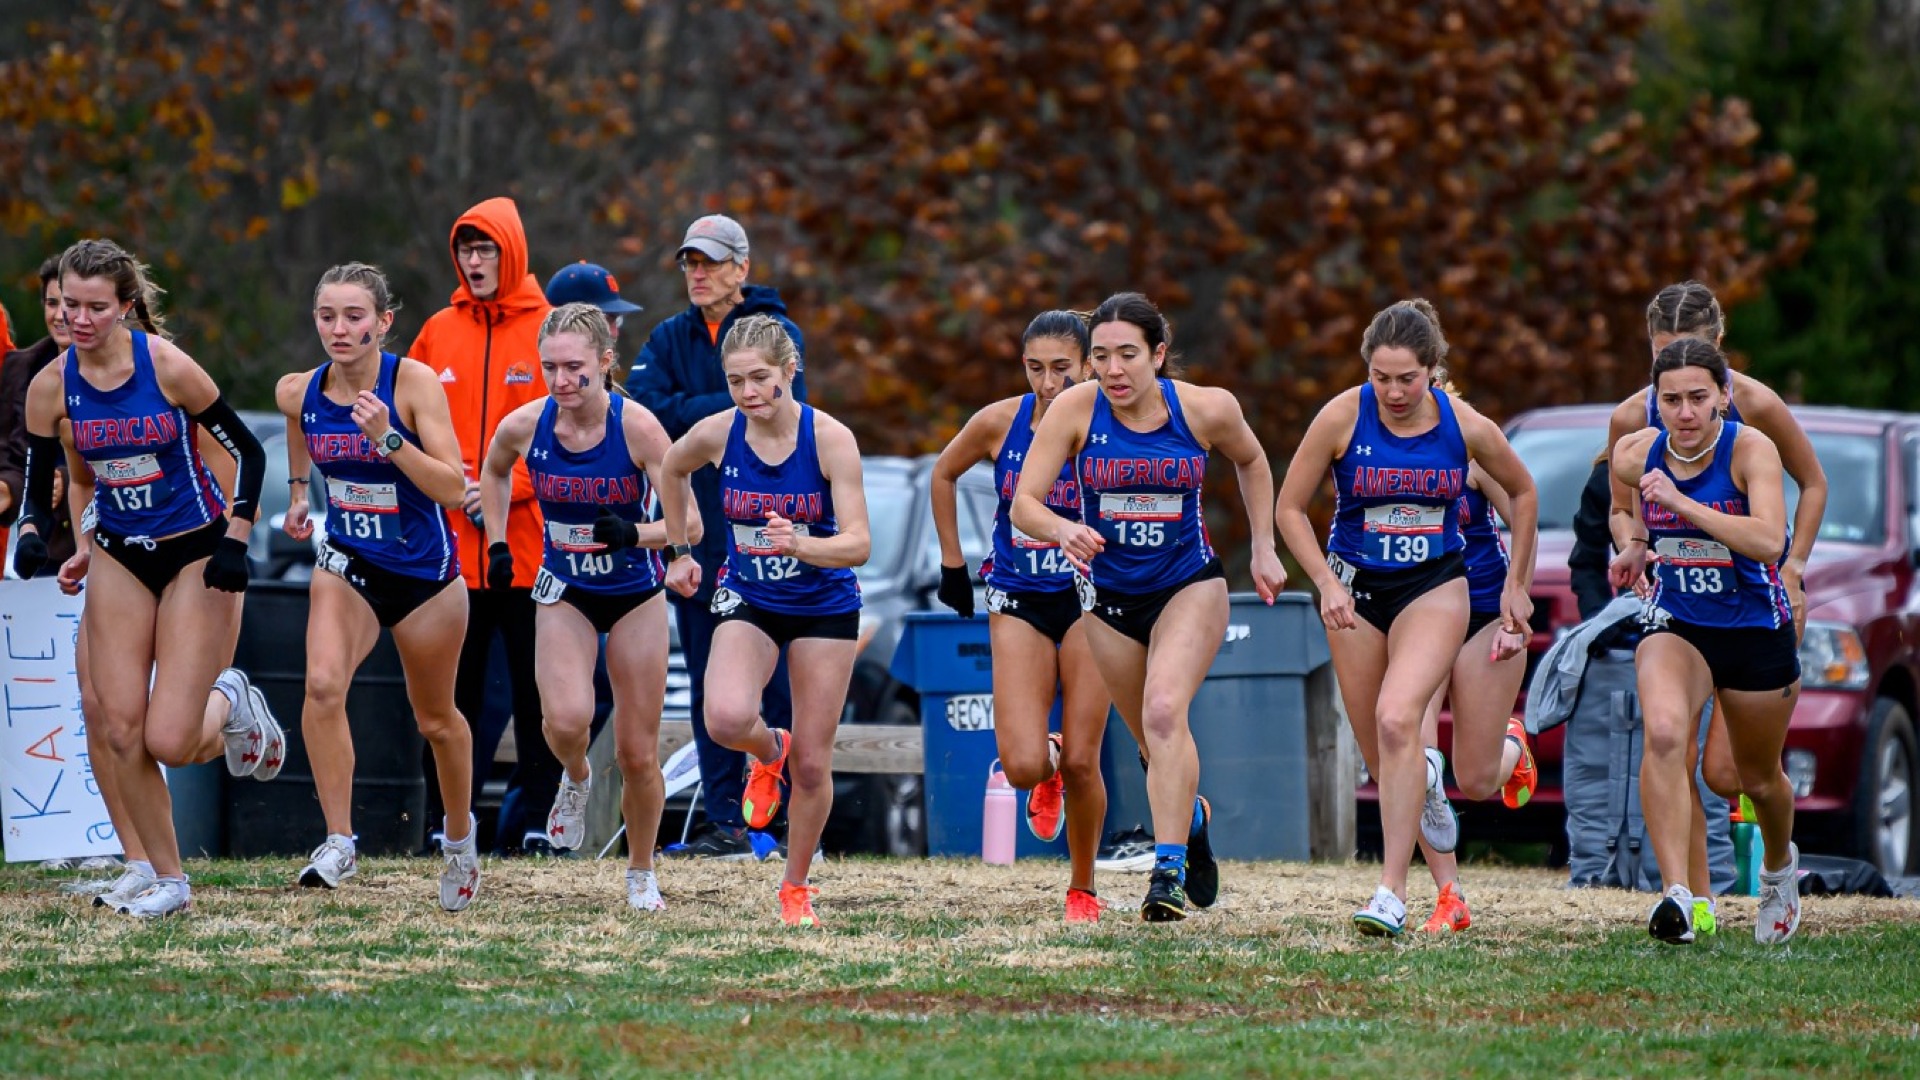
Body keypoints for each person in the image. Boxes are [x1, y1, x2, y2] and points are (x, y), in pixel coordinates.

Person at [12, 238, 280, 917]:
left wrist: (237, 537)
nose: (79, 318)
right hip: (120, 554)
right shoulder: (52, 387)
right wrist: (31, 538)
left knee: (170, 739)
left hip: (194, 549)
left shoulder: (164, 367)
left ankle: (232, 699)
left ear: (126, 306)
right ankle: (169, 880)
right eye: (69, 304)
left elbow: (248, 451)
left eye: (96, 307)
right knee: (119, 726)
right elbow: (43, 486)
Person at [1013, 291, 1285, 922]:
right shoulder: (1076, 411)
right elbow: (1026, 501)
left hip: (1188, 583)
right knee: (1152, 740)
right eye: (1101, 356)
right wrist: (1061, 529)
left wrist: (1264, 546)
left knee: (1165, 713)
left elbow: (1253, 461)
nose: (1113, 371)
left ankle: (1165, 875)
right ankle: (1190, 816)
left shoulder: (1207, 408)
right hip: (1108, 599)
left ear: (1159, 355)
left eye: (1128, 355)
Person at [1276, 299, 1537, 937]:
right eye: (1380, 377)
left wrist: (1516, 589)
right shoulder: (1342, 416)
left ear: (1433, 371)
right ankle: (1448, 892)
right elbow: (1289, 508)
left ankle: (1391, 891)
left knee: (1403, 724)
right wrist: (1325, 581)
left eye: (1407, 379)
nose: (1392, 392)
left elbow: (1524, 494)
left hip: (1437, 589)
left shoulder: (1465, 426)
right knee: (1387, 752)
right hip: (1357, 592)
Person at [1606, 281, 1820, 934]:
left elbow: (1795, 503)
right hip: (1680, 618)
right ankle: (1681, 897)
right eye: (1665, 378)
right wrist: (1636, 543)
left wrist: (1795, 570)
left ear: (1721, 374)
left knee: (1741, 776)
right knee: (1666, 735)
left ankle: (1779, 868)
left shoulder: (1753, 423)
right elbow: (1625, 508)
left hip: (1754, 615)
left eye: (1696, 385)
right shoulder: (1632, 434)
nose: (1680, 405)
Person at [277, 262, 481, 911]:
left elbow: (455, 488)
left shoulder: (413, 383)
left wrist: (387, 437)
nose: (339, 329)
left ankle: (458, 838)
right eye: (327, 316)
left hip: (425, 577)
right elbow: (298, 421)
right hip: (349, 564)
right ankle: (339, 839)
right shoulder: (300, 389)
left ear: (384, 322)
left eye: (354, 316)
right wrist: (298, 491)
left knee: (437, 721)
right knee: (322, 684)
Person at [659, 314, 868, 926]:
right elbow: (672, 469)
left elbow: (858, 545)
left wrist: (802, 544)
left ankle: (795, 885)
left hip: (823, 602)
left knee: (813, 762)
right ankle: (765, 749)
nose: (749, 393)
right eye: (735, 381)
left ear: (789, 370)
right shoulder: (720, 433)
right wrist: (678, 551)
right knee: (724, 718)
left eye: (759, 378)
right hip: (748, 594)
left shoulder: (829, 439)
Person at [479, 302, 685, 911]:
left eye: (575, 368)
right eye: (550, 368)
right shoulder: (526, 424)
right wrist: (495, 543)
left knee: (637, 751)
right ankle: (575, 777)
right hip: (563, 588)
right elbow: (493, 472)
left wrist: (635, 533)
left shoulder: (640, 428)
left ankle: (641, 872)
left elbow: (688, 521)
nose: (563, 381)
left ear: (605, 361)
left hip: (633, 595)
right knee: (565, 721)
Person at [627, 215, 803, 860]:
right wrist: (725, 406)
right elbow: (646, 414)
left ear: (741, 268)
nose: (697, 274)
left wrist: (692, 408)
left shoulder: (776, 333)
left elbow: (786, 416)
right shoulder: (671, 335)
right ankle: (726, 820)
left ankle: (778, 818)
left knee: (775, 685)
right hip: (695, 537)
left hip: (771, 536)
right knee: (710, 682)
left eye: (709, 262)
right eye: (688, 263)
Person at [930, 310, 1112, 923]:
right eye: (1035, 368)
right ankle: (1048, 766)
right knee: (1022, 765)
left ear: (1089, 364)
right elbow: (943, 472)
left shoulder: (1110, 422)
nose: (1048, 382)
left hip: (1091, 599)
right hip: (1017, 592)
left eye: (1062, 368)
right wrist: (953, 564)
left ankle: (1082, 887)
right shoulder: (1001, 421)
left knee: (1087, 758)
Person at [408, 197, 560, 855]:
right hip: (448, 556)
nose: (474, 262)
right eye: (466, 250)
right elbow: (404, 420)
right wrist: (450, 487)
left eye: (485, 249)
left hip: (530, 552)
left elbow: (573, 429)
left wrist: (501, 488)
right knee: (448, 700)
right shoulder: (437, 331)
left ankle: (538, 826)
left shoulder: (553, 329)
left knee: (539, 700)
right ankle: (448, 825)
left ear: (511, 252)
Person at [1408, 459, 1539, 933]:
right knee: (1414, 758)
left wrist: (1515, 602)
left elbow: (1526, 517)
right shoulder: (1373, 454)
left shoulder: (1475, 456)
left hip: (1483, 616)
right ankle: (1450, 895)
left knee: (1476, 781)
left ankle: (1511, 747)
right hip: (1419, 614)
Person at [1, 257, 77, 571]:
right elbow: (12, 450)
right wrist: (8, 488)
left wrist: (65, 480)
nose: (60, 315)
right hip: (38, 542)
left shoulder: (132, 369)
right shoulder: (21, 367)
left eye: (70, 304)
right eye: (51, 303)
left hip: (110, 536)